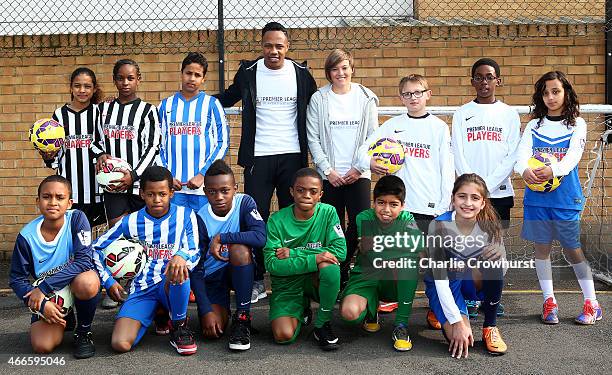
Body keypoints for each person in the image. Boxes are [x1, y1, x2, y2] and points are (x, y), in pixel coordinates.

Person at [215, 22, 318, 302]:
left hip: (292, 155)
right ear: (262, 46)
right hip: (258, 157)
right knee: (256, 217)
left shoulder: (301, 74)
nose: (274, 51)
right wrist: (199, 101)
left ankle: (292, 276)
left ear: (288, 47)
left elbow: (318, 105)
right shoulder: (249, 72)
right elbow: (228, 97)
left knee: (292, 217)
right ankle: (257, 277)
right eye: (269, 45)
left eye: (279, 46)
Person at [515, 71, 603, 325]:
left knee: (572, 250)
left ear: (566, 93)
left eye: (556, 91)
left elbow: (573, 156)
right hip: (537, 198)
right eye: (545, 92)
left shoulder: (577, 124)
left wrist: (553, 170)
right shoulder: (534, 125)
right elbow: (521, 155)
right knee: (541, 250)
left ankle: (592, 303)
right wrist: (524, 170)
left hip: (565, 198)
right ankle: (549, 301)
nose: (551, 97)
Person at [92, 166, 201, 355]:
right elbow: (94, 248)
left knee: (178, 269)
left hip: (171, 283)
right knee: (120, 344)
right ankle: (158, 313)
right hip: (143, 288)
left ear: (172, 193)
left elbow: (195, 250)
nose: (157, 199)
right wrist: (108, 281)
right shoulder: (131, 221)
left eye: (162, 194)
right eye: (151, 194)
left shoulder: (186, 215)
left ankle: (179, 325)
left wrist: (181, 256)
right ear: (142, 194)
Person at [452, 58, 520, 318]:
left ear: (498, 81)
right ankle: (470, 296)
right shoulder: (461, 113)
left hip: (498, 193)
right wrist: (473, 189)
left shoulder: (509, 114)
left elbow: (511, 155)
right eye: (479, 77)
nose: (484, 82)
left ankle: (492, 297)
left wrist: (486, 188)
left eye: (489, 77)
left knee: (494, 249)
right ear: (472, 82)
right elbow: (458, 152)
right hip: (470, 195)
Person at [91, 58, 161, 309]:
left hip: (138, 184)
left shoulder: (147, 110)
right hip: (112, 186)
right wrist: (100, 154)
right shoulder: (104, 110)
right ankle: (117, 286)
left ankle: (142, 284)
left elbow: (153, 146)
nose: (125, 83)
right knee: (118, 234)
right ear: (114, 80)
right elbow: (95, 140)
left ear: (138, 79)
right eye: (120, 78)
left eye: (130, 78)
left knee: (142, 235)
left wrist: (134, 175)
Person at [307, 48, 378, 289]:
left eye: (345, 67)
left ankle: (345, 265)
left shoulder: (366, 97)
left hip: (358, 173)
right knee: (333, 224)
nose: (341, 73)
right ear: (328, 72)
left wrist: (358, 168)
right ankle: (334, 272)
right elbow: (313, 138)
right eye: (335, 69)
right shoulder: (319, 98)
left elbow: (373, 136)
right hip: (331, 175)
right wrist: (328, 171)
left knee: (358, 223)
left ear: (352, 69)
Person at [9, 175, 100, 359]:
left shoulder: (77, 219)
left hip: (68, 284)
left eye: (60, 197)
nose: (53, 202)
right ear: (37, 201)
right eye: (46, 197)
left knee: (88, 281)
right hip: (51, 297)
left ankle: (83, 332)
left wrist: (42, 288)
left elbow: (83, 261)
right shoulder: (27, 236)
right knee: (42, 346)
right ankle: (65, 316)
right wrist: (41, 305)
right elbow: (17, 279)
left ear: (70, 203)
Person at [425, 173, 508, 357]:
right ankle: (438, 307)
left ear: (483, 203)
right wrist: (457, 322)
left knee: (493, 262)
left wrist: (500, 255)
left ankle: (490, 326)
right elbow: (441, 281)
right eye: (462, 196)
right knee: (463, 337)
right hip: (445, 285)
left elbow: (502, 271)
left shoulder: (489, 225)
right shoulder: (438, 226)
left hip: (467, 278)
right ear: (453, 199)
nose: (468, 203)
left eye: (475, 198)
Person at [263, 168, 346, 351]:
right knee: (283, 336)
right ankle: (301, 306)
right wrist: (314, 258)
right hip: (288, 285)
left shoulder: (328, 213)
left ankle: (322, 324)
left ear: (320, 195)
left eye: (313, 191)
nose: (306, 195)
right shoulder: (276, 220)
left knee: (330, 266)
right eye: (300, 190)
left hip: (315, 279)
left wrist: (293, 253)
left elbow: (340, 251)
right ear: (292, 191)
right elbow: (272, 264)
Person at [190, 160, 266, 351]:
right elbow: (196, 268)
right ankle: (222, 312)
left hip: (239, 268)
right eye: (213, 192)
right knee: (213, 331)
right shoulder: (200, 217)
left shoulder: (244, 202)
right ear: (205, 192)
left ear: (235, 188)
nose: (219, 197)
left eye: (225, 190)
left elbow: (260, 236)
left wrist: (223, 237)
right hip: (213, 278)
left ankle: (242, 317)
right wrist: (205, 309)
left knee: (239, 248)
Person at [340, 175, 422, 351]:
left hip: (392, 277)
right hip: (367, 275)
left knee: (410, 264)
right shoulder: (364, 217)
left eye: (393, 204)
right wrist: (400, 246)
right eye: (381, 202)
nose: (386, 209)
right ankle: (372, 310)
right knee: (349, 313)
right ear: (374, 202)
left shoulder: (408, 219)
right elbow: (372, 252)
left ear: (402, 206)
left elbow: (418, 247)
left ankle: (401, 325)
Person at [159, 52, 229, 212]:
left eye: (197, 75)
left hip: (203, 187)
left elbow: (222, 142)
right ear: (181, 73)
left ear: (203, 79)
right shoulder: (165, 105)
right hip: (173, 187)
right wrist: (167, 176)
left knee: (203, 231)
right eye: (188, 73)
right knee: (176, 231)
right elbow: (158, 145)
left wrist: (203, 174)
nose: (192, 78)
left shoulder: (212, 104)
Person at [40, 67, 106, 227]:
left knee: (92, 236)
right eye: (77, 86)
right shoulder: (59, 115)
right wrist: (48, 156)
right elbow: (54, 154)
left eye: (87, 86)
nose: (82, 90)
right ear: (71, 88)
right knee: (69, 236)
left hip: (95, 190)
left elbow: (104, 145)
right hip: (67, 190)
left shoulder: (99, 113)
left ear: (94, 89)